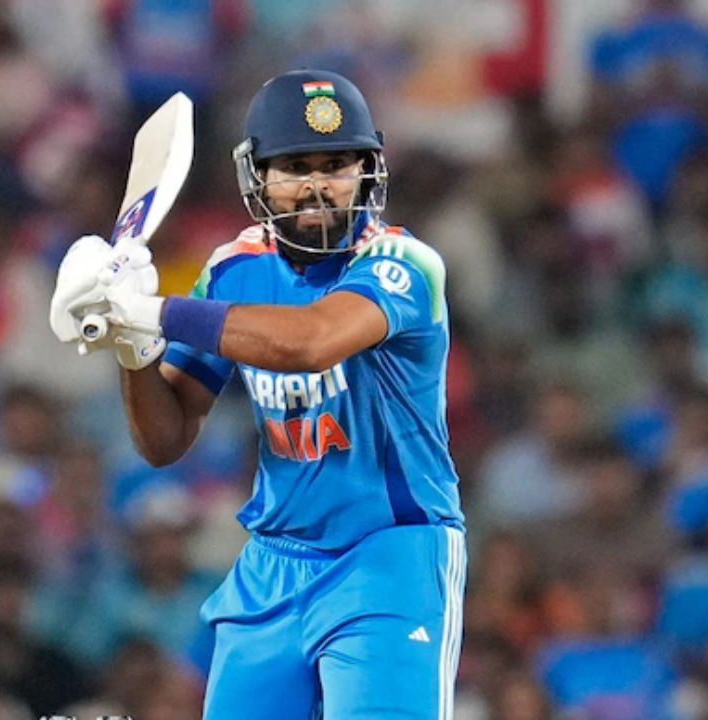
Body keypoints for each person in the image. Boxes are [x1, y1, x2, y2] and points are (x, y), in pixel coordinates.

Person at [49, 69, 466, 719]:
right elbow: (164, 438)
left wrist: (151, 309)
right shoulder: (233, 269)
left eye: (336, 165)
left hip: (389, 558)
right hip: (273, 563)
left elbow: (311, 340)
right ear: (259, 177)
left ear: (367, 171)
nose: (317, 185)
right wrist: (133, 345)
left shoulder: (404, 265)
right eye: (295, 167)